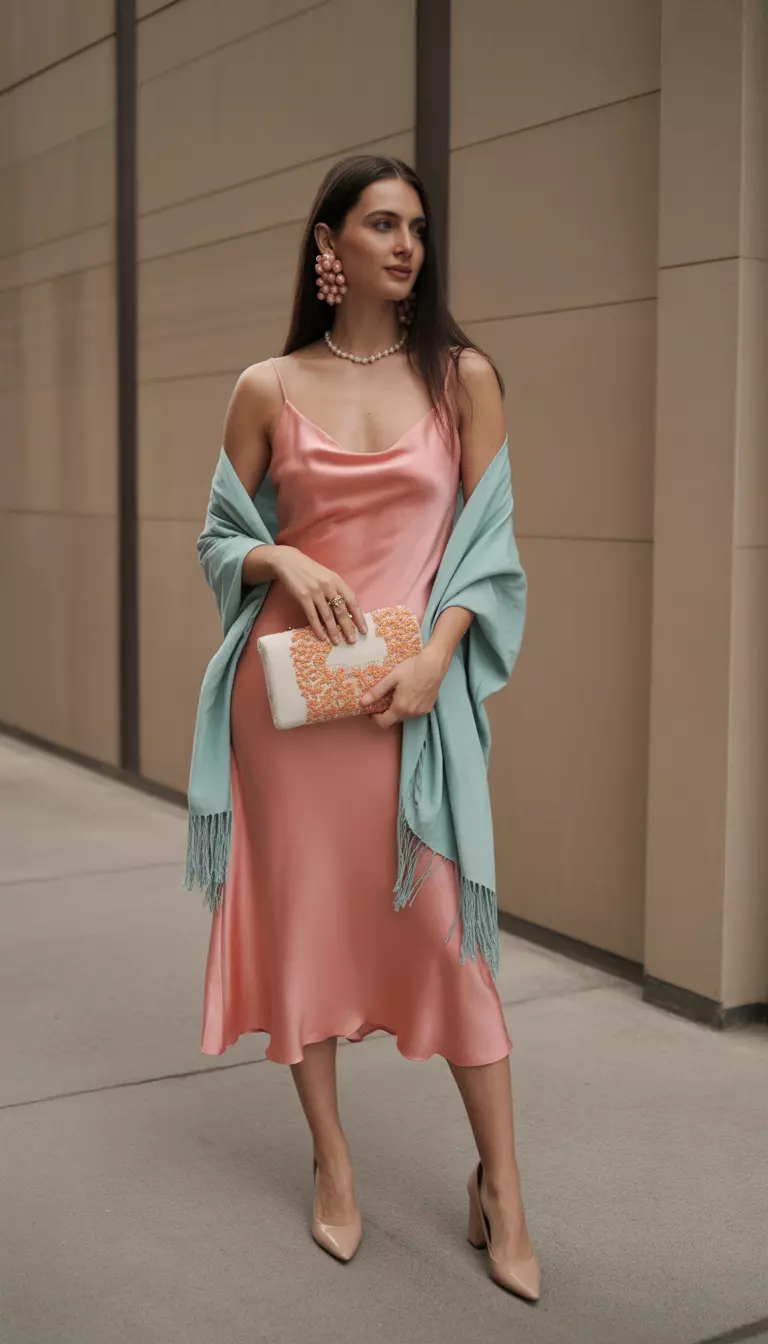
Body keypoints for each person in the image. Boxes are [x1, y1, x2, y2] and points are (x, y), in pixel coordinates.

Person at [190, 153, 539, 1302]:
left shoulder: (463, 381)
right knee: (306, 933)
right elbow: (215, 536)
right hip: (291, 714)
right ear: (329, 243)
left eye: (418, 229)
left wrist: (438, 659)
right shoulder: (265, 386)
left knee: (449, 940)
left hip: (413, 704)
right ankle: (333, 1161)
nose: (407, 246)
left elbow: (489, 551)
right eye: (383, 224)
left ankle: (503, 1190)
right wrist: (277, 555)